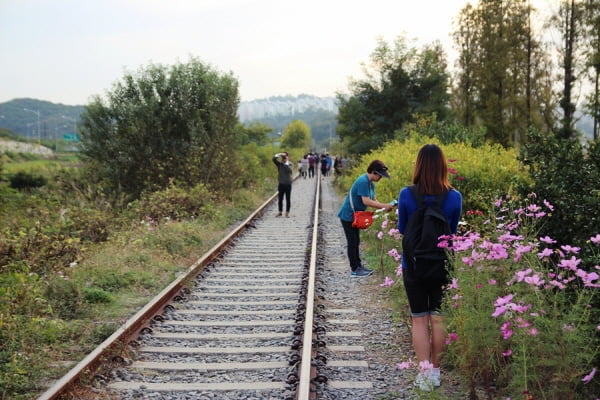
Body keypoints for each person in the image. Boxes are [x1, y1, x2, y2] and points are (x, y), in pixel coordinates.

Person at [396, 144, 462, 391]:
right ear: (443, 166)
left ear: (419, 165)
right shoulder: (454, 197)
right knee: (438, 319)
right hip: (442, 264)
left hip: (412, 265)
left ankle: (423, 374)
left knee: (419, 320)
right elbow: (452, 232)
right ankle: (435, 372)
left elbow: (403, 229)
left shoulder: (406, 194)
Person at [337, 160, 395, 277]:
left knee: (356, 241)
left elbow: (373, 200)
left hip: (355, 216)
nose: (380, 178)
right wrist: (385, 205)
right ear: (373, 172)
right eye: (380, 175)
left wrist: (385, 208)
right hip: (348, 216)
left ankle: (359, 267)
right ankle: (355, 269)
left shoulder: (370, 183)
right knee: (352, 242)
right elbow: (366, 201)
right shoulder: (363, 181)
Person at [273, 151, 293, 217]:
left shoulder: (290, 164)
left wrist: (286, 163)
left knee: (288, 199)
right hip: (281, 184)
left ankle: (287, 212)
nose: (283, 158)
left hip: (288, 184)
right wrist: (279, 154)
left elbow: (290, 171)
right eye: (283, 157)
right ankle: (280, 211)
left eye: (285, 157)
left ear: (287, 157)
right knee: (280, 199)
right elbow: (273, 159)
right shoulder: (279, 164)